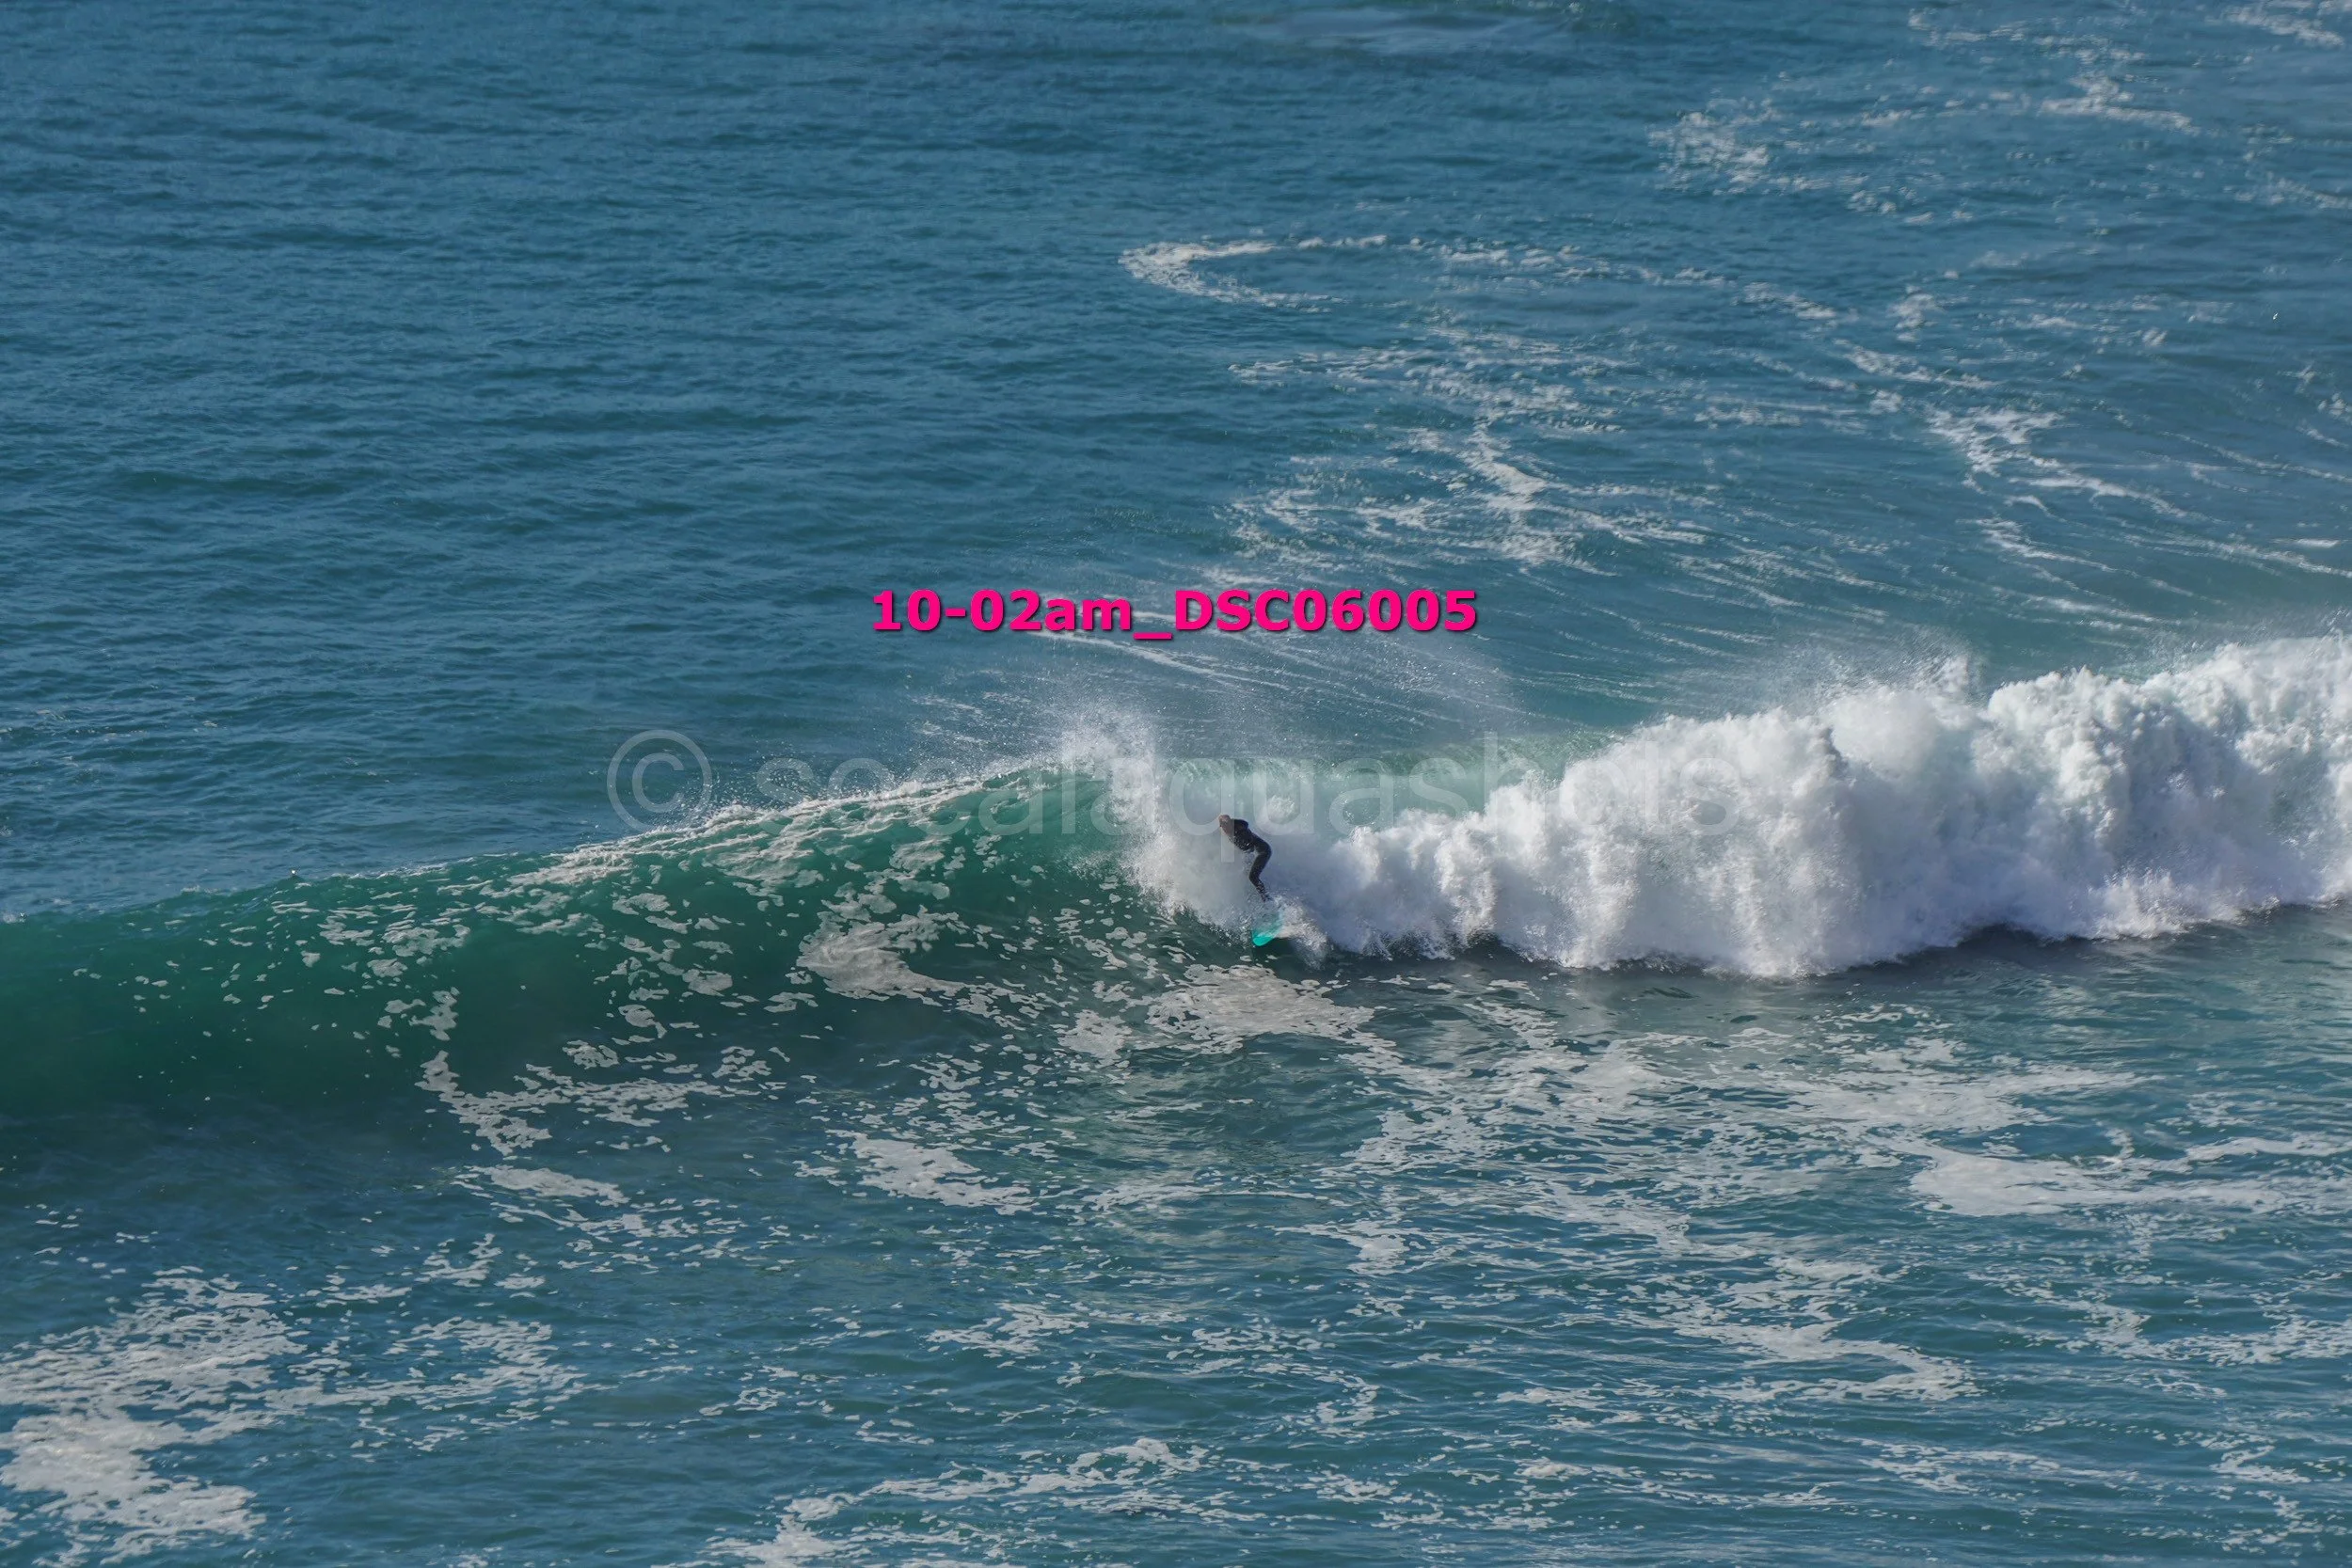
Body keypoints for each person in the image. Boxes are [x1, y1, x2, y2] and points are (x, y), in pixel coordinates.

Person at [1217, 814, 1272, 899]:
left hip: (1264, 852)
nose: (1225, 828)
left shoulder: (1240, 830)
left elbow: (1245, 825)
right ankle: (1256, 895)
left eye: (1227, 824)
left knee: (1252, 877)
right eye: (1223, 826)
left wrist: (1232, 822)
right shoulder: (1227, 832)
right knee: (1245, 874)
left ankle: (1266, 897)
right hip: (1257, 852)